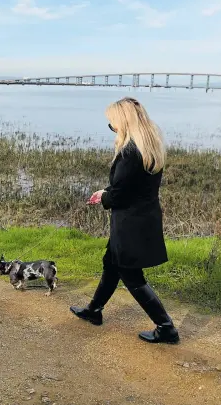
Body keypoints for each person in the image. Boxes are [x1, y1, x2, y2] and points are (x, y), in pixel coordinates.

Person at [70, 97, 179, 344]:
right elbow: (131, 187)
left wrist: (104, 196)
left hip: (130, 223)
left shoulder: (130, 152)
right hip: (141, 219)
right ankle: (93, 310)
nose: (112, 128)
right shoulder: (149, 147)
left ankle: (166, 327)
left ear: (123, 121)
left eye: (112, 123)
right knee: (111, 263)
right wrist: (107, 193)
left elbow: (121, 193)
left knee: (131, 276)